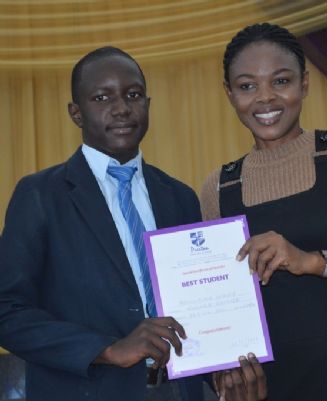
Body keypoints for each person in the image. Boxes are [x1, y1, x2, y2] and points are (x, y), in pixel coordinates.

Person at [200, 23, 327, 401]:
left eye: (281, 81)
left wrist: (311, 261)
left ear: (305, 83)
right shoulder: (218, 188)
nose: (265, 98)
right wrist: (227, 373)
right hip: (277, 388)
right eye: (247, 86)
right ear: (229, 94)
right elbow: (221, 308)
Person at [0, 47, 205, 401]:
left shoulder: (180, 196)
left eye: (133, 94)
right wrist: (107, 349)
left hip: (178, 391)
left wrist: (228, 367)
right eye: (102, 97)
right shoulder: (40, 195)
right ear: (76, 113)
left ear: (148, 104)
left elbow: (199, 299)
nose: (122, 108)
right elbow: (7, 311)